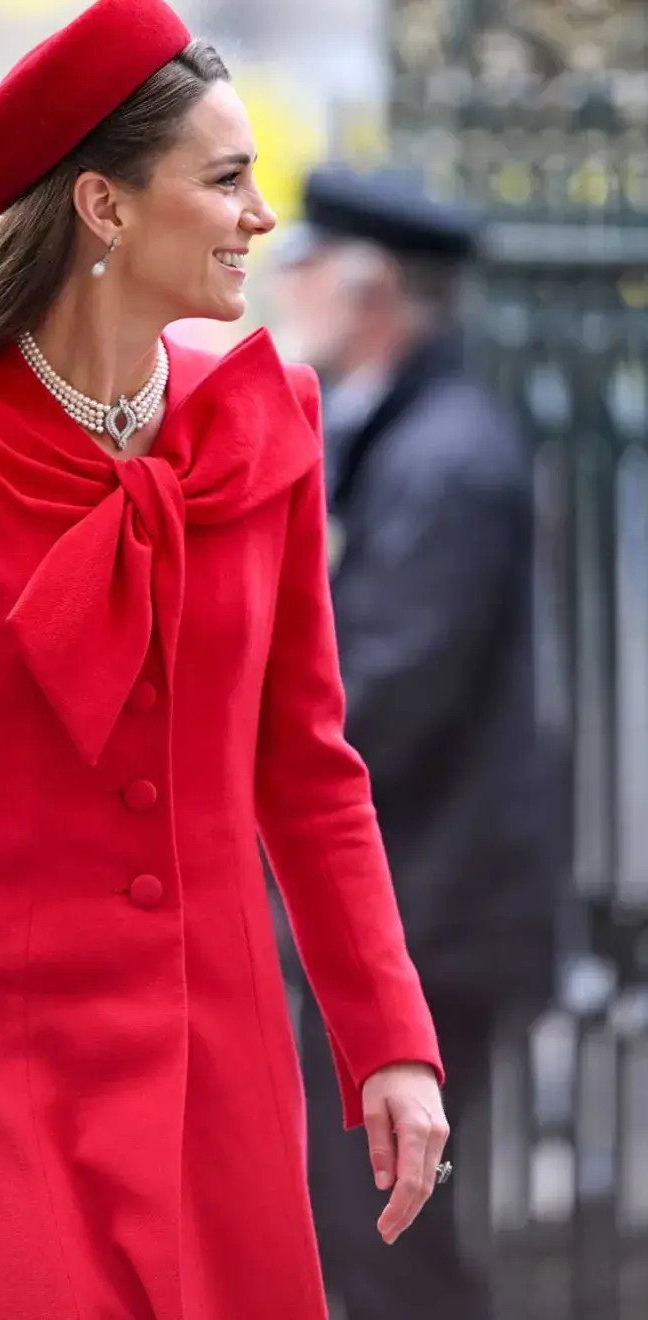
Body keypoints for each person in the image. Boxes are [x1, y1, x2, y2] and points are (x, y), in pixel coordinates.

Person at [0, 7, 452, 1319]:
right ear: (106, 207)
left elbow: (308, 769)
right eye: (226, 177)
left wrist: (388, 1043)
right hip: (3, 1050)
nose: (262, 216)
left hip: (222, 1045)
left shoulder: (268, 415)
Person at [275, 166, 561, 1320]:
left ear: (369, 287)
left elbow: (375, 695)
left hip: (436, 921)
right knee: (367, 1226)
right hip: (421, 909)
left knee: (382, 1236)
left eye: (303, 273)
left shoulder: (446, 461)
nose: (283, 293)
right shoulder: (398, 432)